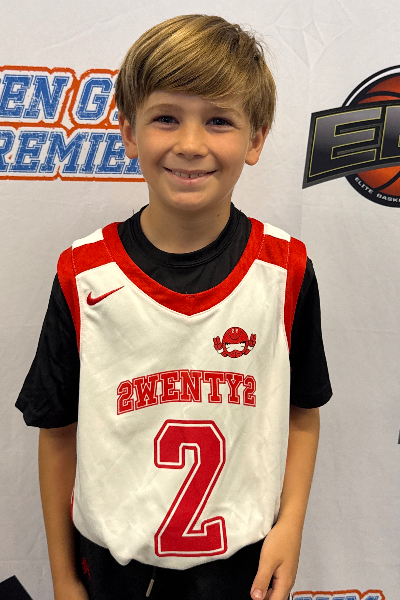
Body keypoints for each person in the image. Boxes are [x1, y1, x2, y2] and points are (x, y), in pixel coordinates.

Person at [15, 14, 332, 600]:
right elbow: (56, 432)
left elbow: (302, 413)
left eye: (218, 120)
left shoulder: (284, 269)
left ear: (256, 138)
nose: (190, 144)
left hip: (243, 569)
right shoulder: (84, 274)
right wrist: (63, 577)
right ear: (129, 133)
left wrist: (290, 525)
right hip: (113, 570)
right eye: (166, 118)